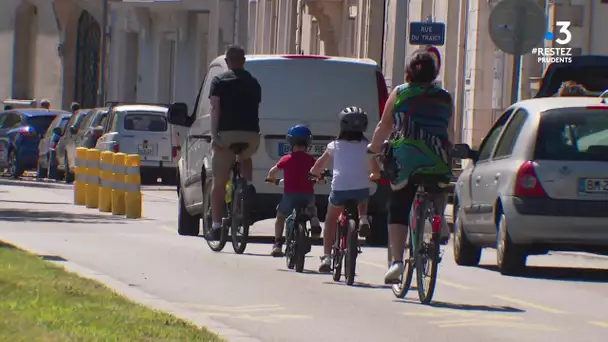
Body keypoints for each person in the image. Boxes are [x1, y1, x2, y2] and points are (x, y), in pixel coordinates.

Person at [367, 50, 453, 284]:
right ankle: (438, 221)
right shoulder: (445, 97)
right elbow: (448, 131)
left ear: (408, 72)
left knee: (398, 204)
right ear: (434, 73)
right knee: (438, 186)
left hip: (407, 160)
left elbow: (384, 126)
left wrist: (373, 149)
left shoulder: (400, 92)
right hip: (437, 158)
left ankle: (396, 262)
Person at [310, 106, 373, 273]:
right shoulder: (368, 146)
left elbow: (318, 166)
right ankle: (364, 218)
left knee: (331, 219)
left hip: (340, 189)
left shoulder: (334, 145)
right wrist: (376, 174)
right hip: (360, 191)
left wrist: (314, 173)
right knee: (364, 190)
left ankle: (327, 257)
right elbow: (376, 169)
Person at [209, 45, 262, 239]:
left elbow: (215, 109)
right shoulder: (254, 82)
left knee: (219, 183)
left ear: (227, 61)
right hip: (251, 135)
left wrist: (215, 136)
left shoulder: (219, 81)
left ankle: (215, 225)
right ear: (244, 62)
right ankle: (246, 187)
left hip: (227, 134)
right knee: (245, 157)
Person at [266, 125, 322, 257]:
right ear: (308, 142)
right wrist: (318, 180)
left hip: (290, 195)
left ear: (290, 142)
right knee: (312, 208)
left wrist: (271, 179)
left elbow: (272, 172)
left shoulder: (286, 159)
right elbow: (317, 174)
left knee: (280, 216)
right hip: (307, 194)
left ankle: (278, 244)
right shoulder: (310, 159)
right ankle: (314, 220)